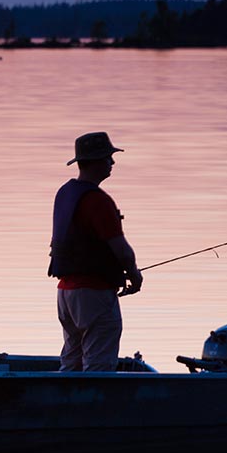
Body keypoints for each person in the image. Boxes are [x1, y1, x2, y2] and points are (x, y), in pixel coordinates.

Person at [49, 132, 143, 372]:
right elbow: (120, 248)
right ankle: (92, 406)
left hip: (66, 294)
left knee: (72, 360)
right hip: (94, 294)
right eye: (108, 157)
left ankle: (62, 406)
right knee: (99, 364)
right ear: (96, 161)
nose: (112, 163)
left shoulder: (65, 193)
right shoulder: (97, 201)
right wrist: (134, 274)